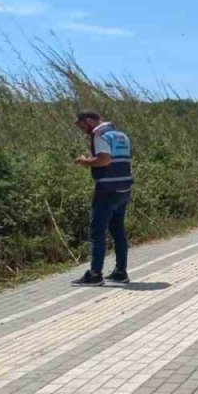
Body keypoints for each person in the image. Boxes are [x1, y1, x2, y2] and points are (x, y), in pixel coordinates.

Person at [72, 110, 133, 287]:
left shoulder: (98, 134)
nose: (82, 129)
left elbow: (104, 160)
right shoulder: (121, 135)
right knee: (118, 231)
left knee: (97, 232)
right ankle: (120, 272)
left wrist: (84, 161)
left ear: (90, 120)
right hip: (124, 188)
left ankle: (95, 274)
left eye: (81, 125)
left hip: (107, 190)